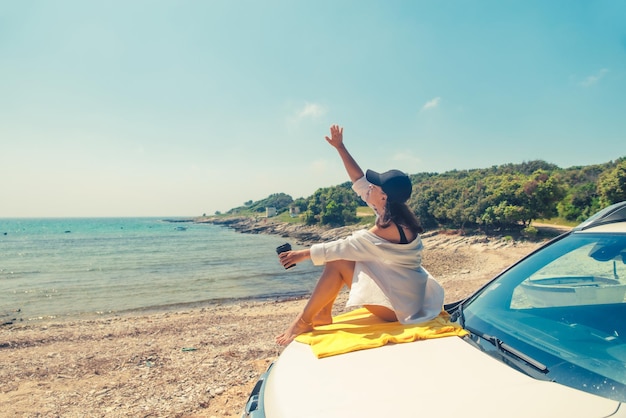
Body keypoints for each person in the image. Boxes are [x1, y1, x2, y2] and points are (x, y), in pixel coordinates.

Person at [276, 124, 444, 346]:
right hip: (410, 298)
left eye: (374, 187)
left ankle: (303, 321)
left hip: (400, 308)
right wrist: (340, 147)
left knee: (338, 261)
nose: (369, 189)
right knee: (341, 258)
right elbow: (359, 181)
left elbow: (347, 246)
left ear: (383, 196)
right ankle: (323, 314)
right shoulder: (393, 212)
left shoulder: (388, 227)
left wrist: (301, 254)